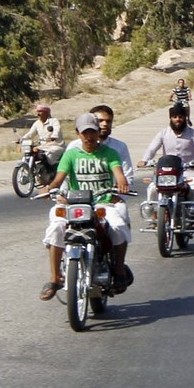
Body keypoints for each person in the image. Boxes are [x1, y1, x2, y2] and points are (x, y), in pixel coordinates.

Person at [39, 113, 132, 301]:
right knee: (56, 227)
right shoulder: (71, 154)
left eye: (93, 132)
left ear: (98, 133)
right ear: (78, 134)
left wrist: (121, 182)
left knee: (118, 227)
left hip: (102, 203)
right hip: (76, 204)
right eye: (85, 133)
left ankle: (119, 269)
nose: (89, 137)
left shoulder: (110, 153)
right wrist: (49, 189)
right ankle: (55, 278)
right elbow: (59, 178)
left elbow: (118, 172)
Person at [140, 104, 194, 224]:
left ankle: (193, 217)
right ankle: (154, 217)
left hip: (187, 172)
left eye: (180, 116)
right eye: (174, 117)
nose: (177, 119)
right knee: (152, 188)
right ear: (170, 118)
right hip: (167, 172)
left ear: (185, 118)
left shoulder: (193, 134)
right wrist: (144, 160)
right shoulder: (163, 133)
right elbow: (152, 148)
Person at [23, 104, 63, 168]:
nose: (38, 114)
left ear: (46, 113)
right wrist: (22, 139)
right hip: (42, 146)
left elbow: (57, 129)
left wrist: (54, 136)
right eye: (37, 112)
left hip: (55, 145)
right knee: (31, 154)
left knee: (50, 156)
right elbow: (30, 134)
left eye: (40, 111)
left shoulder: (54, 121)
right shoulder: (37, 123)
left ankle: (53, 172)